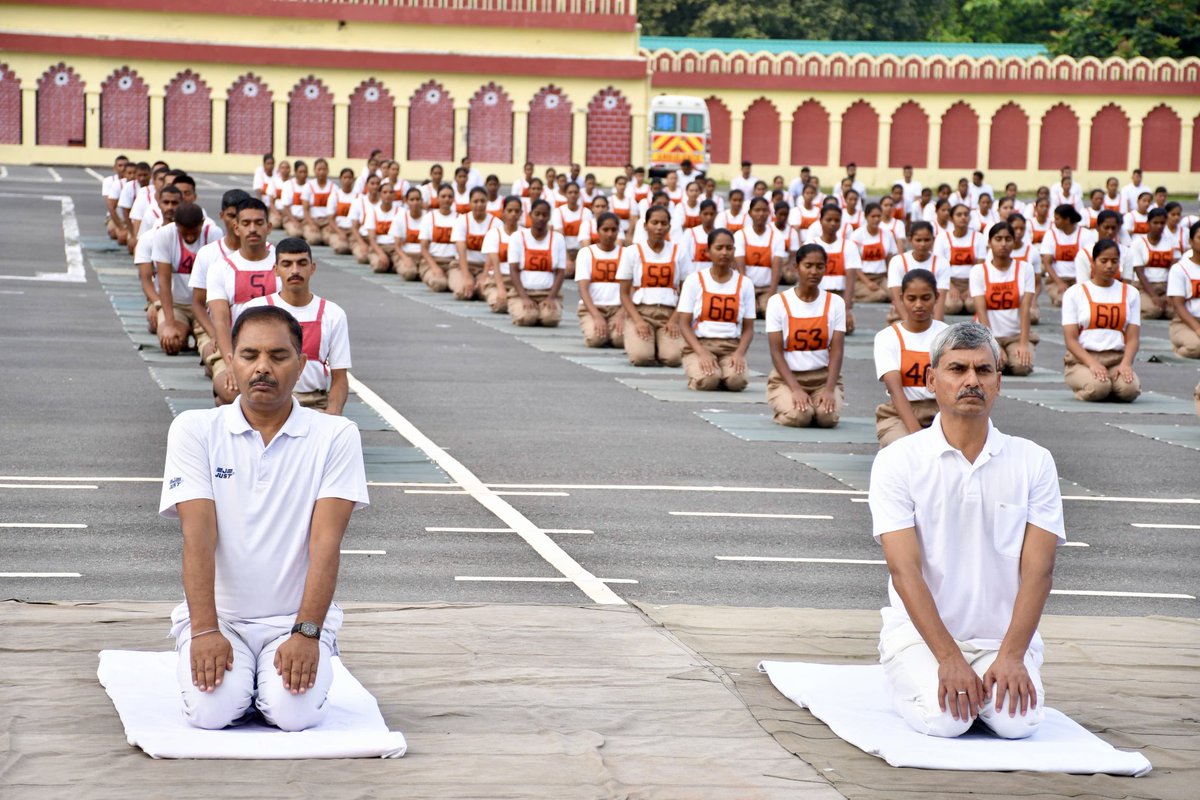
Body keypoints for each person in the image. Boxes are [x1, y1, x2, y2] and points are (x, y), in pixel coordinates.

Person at [160, 304, 368, 732]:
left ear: (302, 364)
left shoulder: (336, 436)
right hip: (222, 619)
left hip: (294, 621)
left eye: (278, 356)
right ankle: (244, 684)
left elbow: (325, 545)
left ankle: (265, 683)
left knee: (293, 716)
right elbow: (197, 539)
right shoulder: (194, 429)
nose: (262, 368)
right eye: (250, 355)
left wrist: (307, 634)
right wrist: (204, 631)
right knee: (209, 713)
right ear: (230, 360)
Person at [869, 321, 1064, 740]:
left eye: (983, 370)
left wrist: (1012, 656)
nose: (971, 381)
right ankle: (909, 674)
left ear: (999, 381)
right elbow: (904, 571)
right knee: (948, 721)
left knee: (1018, 724)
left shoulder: (1033, 460)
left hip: (1003, 641)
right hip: (922, 640)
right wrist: (948, 658)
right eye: (957, 369)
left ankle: (992, 678)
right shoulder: (898, 460)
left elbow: (1039, 572)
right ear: (931, 379)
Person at [244, 239, 351, 413]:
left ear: (312, 268)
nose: (295, 271)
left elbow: (340, 376)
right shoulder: (256, 309)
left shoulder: (333, 314)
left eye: (302, 263)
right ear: (276, 270)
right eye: (287, 264)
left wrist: (334, 412)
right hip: (266, 399)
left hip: (314, 402)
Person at [205, 199, 281, 405]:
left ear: (269, 227)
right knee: (232, 393)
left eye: (259, 222)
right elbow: (220, 321)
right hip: (236, 349)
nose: (253, 228)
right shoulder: (220, 268)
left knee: (268, 396)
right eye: (246, 223)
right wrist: (231, 362)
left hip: (276, 348)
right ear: (236, 228)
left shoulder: (283, 263)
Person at [765, 244, 845, 427]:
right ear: (796, 267)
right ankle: (783, 408)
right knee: (801, 416)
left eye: (819, 266)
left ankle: (817, 405)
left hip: (822, 378)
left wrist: (830, 389)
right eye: (808, 266)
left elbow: (837, 350)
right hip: (787, 378)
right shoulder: (778, 302)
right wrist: (795, 390)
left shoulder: (835, 303)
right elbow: (776, 353)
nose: (814, 272)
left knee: (826, 418)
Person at [874, 269, 948, 447]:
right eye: (912, 298)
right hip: (900, 412)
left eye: (926, 297)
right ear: (901, 298)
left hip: (941, 411)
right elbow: (895, 391)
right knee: (908, 450)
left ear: (937, 297)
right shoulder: (887, 337)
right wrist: (917, 435)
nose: (919, 304)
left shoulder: (947, 334)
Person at [675, 228, 755, 392]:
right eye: (719, 248)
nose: (724, 253)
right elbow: (683, 324)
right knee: (708, 381)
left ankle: (723, 373)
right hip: (701, 344)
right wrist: (701, 353)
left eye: (729, 248)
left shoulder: (745, 283)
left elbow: (748, 328)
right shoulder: (694, 280)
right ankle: (703, 375)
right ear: (708, 251)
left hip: (730, 347)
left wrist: (739, 353)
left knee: (736, 382)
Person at [1061, 239, 1141, 403]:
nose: (1109, 266)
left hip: (1116, 359)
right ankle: (1092, 385)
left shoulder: (1130, 293)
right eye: (1104, 261)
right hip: (1082, 360)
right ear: (1093, 262)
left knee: (1129, 391)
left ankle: (1111, 385)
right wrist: (1092, 364)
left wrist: (1126, 364)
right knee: (1098, 389)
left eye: (1114, 261)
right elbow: (1071, 339)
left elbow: (1133, 337)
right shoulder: (1075, 293)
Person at [617, 205, 690, 367]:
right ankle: (650, 345)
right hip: (642, 312)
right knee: (641, 358)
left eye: (663, 223)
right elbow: (624, 294)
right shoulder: (632, 252)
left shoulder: (679, 252)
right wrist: (637, 321)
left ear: (669, 227)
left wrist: (674, 321)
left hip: (669, 313)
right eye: (654, 223)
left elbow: (686, 292)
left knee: (673, 359)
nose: (659, 228)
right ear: (645, 225)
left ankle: (660, 344)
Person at [189, 190, 251, 376]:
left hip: (254, 332)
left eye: (242, 218)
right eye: (231, 216)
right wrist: (214, 334)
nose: (235, 223)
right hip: (215, 327)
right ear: (222, 216)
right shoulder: (208, 254)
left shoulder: (269, 257)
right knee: (221, 372)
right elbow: (198, 304)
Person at [153, 202, 222, 356]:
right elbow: (164, 283)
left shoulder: (214, 234)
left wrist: (215, 333)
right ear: (176, 225)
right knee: (171, 342)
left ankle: (199, 338)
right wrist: (170, 324)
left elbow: (218, 279)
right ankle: (182, 331)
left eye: (194, 232)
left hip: (205, 307)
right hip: (177, 305)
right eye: (185, 233)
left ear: (202, 223)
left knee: (213, 350)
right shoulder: (164, 235)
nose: (190, 237)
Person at [970, 223, 1036, 376]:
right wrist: (993, 345)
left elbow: (1025, 309)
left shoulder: (1025, 269)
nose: (1003, 244)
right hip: (988, 335)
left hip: (1015, 334)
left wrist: (1024, 343)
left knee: (1021, 367)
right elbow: (982, 312)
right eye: (998, 239)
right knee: (992, 366)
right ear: (989, 242)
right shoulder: (979, 271)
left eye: (1008, 239)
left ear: (1014, 241)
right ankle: (1002, 358)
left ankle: (1010, 357)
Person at [507, 200, 567, 327]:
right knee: (527, 318)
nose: (541, 218)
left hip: (547, 292)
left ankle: (543, 310)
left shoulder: (558, 239)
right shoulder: (518, 237)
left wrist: (551, 297)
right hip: (523, 292)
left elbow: (561, 272)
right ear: (530, 215)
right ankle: (522, 307)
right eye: (537, 214)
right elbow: (513, 270)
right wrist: (524, 297)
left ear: (549, 217)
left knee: (550, 320)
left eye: (545, 215)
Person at [136, 184, 182, 335]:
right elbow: (146, 280)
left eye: (175, 203)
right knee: (172, 342)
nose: (170, 207)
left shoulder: (193, 236)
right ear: (158, 203)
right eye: (166, 203)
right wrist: (157, 304)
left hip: (189, 302)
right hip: (161, 299)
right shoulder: (147, 238)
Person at [575, 212, 625, 349]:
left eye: (614, 230)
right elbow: (583, 289)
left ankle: (610, 333)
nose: (610, 234)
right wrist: (596, 316)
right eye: (605, 230)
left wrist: (622, 313)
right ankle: (602, 330)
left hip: (618, 308)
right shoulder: (586, 253)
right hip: (593, 307)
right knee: (596, 340)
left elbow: (632, 288)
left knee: (620, 341)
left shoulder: (626, 254)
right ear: (597, 231)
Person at [888, 222, 949, 323]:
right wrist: (909, 323)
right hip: (903, 313)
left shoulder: (942, 262)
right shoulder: (897, 261)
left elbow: (941, 297)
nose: (923, 244)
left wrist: (937, 327)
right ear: (910, 240)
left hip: (930, 313)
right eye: (918, 240)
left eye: (927, 240)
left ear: (933, 240)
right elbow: (896, 298)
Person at [734, 197, 786, 314]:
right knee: (749, 311)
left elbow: (777, 269)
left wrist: (771, 295)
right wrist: (748, 293)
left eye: (764, 210)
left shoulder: (777, 236)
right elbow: (741, 269)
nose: (761, 214)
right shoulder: (741, 235)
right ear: (750, 213)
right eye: (757, 210)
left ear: (769, 212)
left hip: (766, 288)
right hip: (745, 288)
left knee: (768, 310)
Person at [1126, 208, 1180, 320]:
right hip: (1144, 286)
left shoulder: (1172, 241)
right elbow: (1139, 272)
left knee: (1173, 311)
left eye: (1162, 223)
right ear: (1148, 223)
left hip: (1165, 285)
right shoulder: (1138, 243)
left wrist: (1170, 293)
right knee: (1154, 310)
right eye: (1155, 223)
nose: (1159, 226)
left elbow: (1174, 269)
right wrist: (1154, 296)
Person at [934, 203, 986, 315]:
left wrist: (971, 287)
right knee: (953, 306)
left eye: (966, 214)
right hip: (950, 281)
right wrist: (951, 287)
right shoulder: (942, 238)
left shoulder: (979, 237)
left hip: (972, 281)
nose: (963, 217)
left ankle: (965, 302)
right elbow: (939, 265)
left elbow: (980, 265)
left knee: (972, 306)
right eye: (959, 215)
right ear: (951, 218)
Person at [449, 187, 498, 302]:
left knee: (483, 292)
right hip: (462, 266)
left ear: (487, 202)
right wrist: (466, 277)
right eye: (475, 201)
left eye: (482, 201)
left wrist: (484, 277)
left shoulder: (496, 223)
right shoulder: (461, 221)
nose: (479, 205)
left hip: (485, 267)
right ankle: (468, 282)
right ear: (470, 203)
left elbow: (492, 254)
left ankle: (478, 285)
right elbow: (461, 251)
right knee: (463, 292)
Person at [481, 196, 523, 314]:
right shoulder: (494, 234)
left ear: (521, 213)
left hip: (519, 281)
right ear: (503, 212)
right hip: (497, 279)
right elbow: (494, 264)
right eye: (509, 211)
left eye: (516, 211)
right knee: (500, 306)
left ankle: (515, 301)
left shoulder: (525, 234)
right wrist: (500, 288)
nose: (513, 214)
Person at [851, 203, 898, 304]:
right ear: (866, 217)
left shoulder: (888, 234)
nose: (876, 219)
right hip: (862, 279)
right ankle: (853, 296)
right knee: (880, 296)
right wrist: (868, 283)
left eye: (878, 216)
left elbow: (889, 259)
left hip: (881, 277)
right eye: (873, 216)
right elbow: (854, 265)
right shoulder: (857, 235)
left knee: (896, 296)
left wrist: (891, 278)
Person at [1040, 204, 1085, 306]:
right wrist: (1059, 282)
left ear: (1067, 220)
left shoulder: (1084, 234)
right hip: (1057, 279)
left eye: (1057, 219)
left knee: (1079, 301)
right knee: (1063, 302)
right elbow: (1047, 263)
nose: (1054, 221)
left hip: (1078, 279)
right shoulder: (1051, 234)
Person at [1167, 223, 1200, 359]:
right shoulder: (1179, 269)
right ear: (1190, 241)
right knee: (1196, 347)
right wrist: (1198, 329)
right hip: (1185, 323)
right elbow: (1178, 306)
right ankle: (1178, 351)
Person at [417, 184, 456, 291]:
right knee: (439, 284)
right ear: (437, 198)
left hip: (453, 263)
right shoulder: (429, 217)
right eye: (443, 196)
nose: (446, 199)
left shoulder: (459, 218)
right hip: (433, 261)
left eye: (449, 196)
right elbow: (424, 249)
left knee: (459, 287)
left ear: (453, 199)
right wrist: (434, 267)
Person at [364, 187, 400, 275]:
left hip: (394, 247)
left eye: (391, 192)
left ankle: (392, 263)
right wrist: (381, 254)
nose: (388, 195)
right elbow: (372, 239)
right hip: (378, 246)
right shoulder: (372, 212)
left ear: (394, 195)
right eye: (385, 192)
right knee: (379, 266)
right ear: (380, 194)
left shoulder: (400, 212)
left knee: (407, 271)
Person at [326, 168, 358, 255]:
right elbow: (330, 219)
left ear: (353, 179)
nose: (347, 180)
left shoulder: (359, 197)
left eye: (349, 178)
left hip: (353, 231)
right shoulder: (335, 195)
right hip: (339, 229)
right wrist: (340, 232)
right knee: (341, 248)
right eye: (345, 177)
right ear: (340, 179)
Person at [103, 154, 130, 241]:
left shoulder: (133, 182)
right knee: (115, 234)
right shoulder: (108, 181)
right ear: (114, 167)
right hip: (114, 216)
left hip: (130, 216)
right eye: (120, 165)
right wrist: (121, 227)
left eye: (125, 166)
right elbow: (110, 206)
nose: (122, 168)